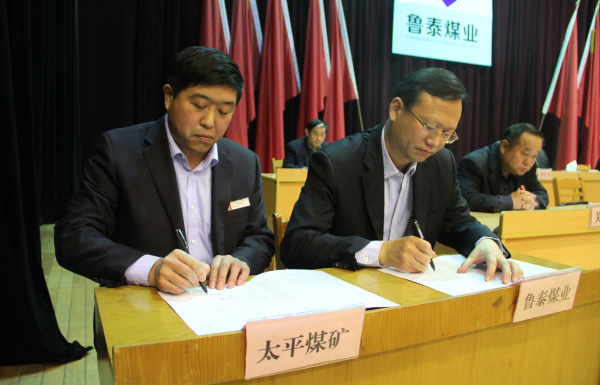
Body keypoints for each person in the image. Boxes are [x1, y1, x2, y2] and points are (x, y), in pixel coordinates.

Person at [55, 47, 274, 295]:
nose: (210, 122)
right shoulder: (119, 151)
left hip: (221, 300)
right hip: (145, 302)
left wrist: (240, 261)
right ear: (169, 96)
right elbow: (73, 236)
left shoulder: (245, 162)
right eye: (199, 105)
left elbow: (259, 238)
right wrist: (150, 269)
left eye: (224, 111)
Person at [280, 68, 523, 284]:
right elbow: (297, 244)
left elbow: (459, 222)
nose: (435, 142)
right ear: (396, 109)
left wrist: (485, 242)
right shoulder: (337, 162)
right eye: (429, 127)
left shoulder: (441, 163)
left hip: (409, 294)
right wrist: (382, 252)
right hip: (347, 293)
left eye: (447, 133)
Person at [457, 124, 549, 213]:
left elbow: (542, 194)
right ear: (504, 146)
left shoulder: (528, 167)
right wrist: (510, 202)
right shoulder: (474, 163)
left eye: (534, 156)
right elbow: (465, 197)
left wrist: (530, 203)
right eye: (525, 154)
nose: (528, 162)